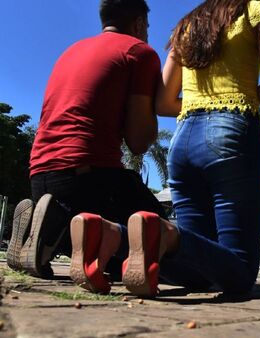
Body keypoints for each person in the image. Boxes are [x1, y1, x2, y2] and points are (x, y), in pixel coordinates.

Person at [125, 0, 260, 297]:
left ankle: (112, 237)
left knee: (198, 272)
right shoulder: (257, 12)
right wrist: (240, 95)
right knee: (238, 272)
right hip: (231, 132)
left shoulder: (187, 25)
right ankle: (161, 233)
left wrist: (196, 102)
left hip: (183, 138)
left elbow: (162, 103)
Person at [6, 0, 168, 282]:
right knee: (153, 230)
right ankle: (52, 233)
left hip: (40, 175)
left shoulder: (71, 52)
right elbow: (139, 142)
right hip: (86, 177)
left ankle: (47, 226)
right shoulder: (139, 53)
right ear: (140, 24)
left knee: (97, 222)